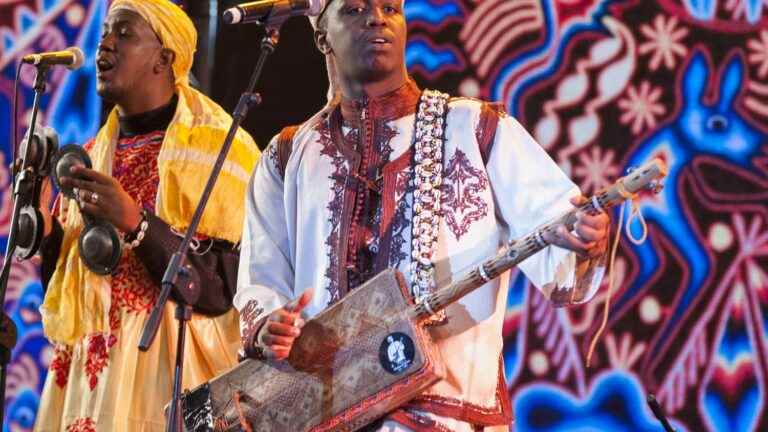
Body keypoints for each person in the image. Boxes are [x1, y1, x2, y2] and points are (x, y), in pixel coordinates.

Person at [235, 0, 609, 430]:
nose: (377, 18)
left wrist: (583, 236)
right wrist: (269, 325)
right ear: (322, 37)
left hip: (445, 412)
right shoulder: (287, 156)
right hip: (328, 412)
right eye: (354, 10)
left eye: (390, 8)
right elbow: (261, 278)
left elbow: (558, 232)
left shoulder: (477, 128)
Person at [33, 1, 260, 430]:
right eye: (103, 35)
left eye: (124, 34)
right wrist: (49, 238)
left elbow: (225, 287)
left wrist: (138, 224)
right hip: (89, 385)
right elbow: (80, 294)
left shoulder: (221, 149)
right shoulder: (90, 154)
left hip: (171, 380)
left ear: (165, 58)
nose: (105, 46)